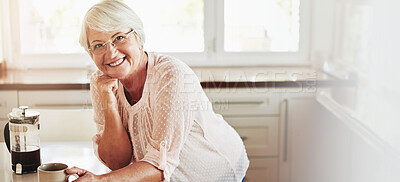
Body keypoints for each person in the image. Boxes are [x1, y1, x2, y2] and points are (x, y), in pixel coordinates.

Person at [66, 0, 249, 181]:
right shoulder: (101, 82)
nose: (111, 53)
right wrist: (108, 100)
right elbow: (117, 162)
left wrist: (100, 180)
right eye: (99, 45)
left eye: (119, 37)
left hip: (217, 172)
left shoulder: (170, 74)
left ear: (138, 37)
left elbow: (160, 165)